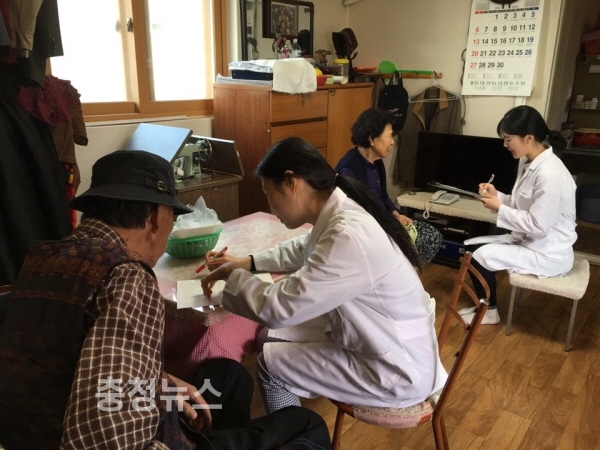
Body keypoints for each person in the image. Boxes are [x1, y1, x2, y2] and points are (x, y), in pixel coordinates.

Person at [0, 150, 331, 450]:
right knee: (306, 423)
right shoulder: (126, 276)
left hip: (40, 428)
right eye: (173, 217)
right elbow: (103, 438)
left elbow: (86, 380)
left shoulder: (41, 259)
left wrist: (159, 385)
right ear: (157, 218)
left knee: (229, 377)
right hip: (131, 438)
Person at [201, 137, 447, 415]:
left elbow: (280, 308)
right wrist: (247, 262)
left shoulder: (348, 235)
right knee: (270, 335)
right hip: (379, 339)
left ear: (291, 182)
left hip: (396, 368)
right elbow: (302, 248)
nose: (270, 205)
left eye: (269, 194)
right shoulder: (342, 212)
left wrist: (234, 278)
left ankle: (292, 434)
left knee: (269, 363)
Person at [460, 105, 577, 325]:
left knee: (478, 257)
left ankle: (489, 312)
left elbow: (538, 225)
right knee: (470, 247)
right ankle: (483, 306)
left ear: (528, 138)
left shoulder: (551, 174)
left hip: (548, 252)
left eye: (508, 139)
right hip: (531, 240)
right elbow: (523, 203)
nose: (505, 145)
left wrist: (499, 208)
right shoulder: (529, 161)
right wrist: (498, 196)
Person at [335, 108, 443, 264]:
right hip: (365, 229)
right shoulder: (349, 168)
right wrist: (391, 222)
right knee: (426, 239)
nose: (392, 142)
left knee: (432, 235)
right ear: (372, 139)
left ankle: (403, 271)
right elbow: (353, 213)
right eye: (389, 136)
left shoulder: (377, 161)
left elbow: (383, 196)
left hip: (383, 220)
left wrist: (396, 213)